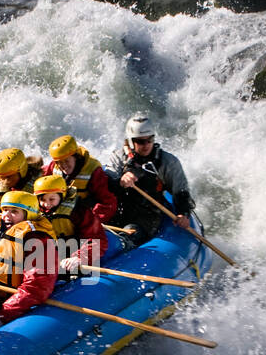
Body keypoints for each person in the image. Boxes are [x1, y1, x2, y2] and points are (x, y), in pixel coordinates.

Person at [0, 190, 57, 323]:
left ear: (28, 215)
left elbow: (36, 287)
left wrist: (3, 316)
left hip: (9, 296)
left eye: (14, 211)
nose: (6, 215)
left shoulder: (38, 240)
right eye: (4, 210)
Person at [106, 115, 195, 250]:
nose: (146, 145)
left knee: (126, 237)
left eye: (149, 140)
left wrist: (183, 213)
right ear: (131, 141)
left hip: (146, 216)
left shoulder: (168, 162)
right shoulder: (118, 158)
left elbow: (181, 192)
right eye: (140, 142)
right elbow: (106, 184)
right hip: (119, 211)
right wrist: (120, 181)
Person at [33, 173, 106, 275]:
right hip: (57, 257)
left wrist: (80, 258)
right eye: (42, 200)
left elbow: (96, 239)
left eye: (51, 199)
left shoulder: (78, 211)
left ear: (62, 195)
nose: (46, 204)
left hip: (78, 252)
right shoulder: (34, 214)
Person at [42, 134, 117, 224]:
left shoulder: (93, 170)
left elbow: (107, 202)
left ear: (76, 157)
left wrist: (92, 220)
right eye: (59, 162)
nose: (63, 166)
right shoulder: (53, 166)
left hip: (84, 212)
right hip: (61, 213)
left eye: (66, 160)